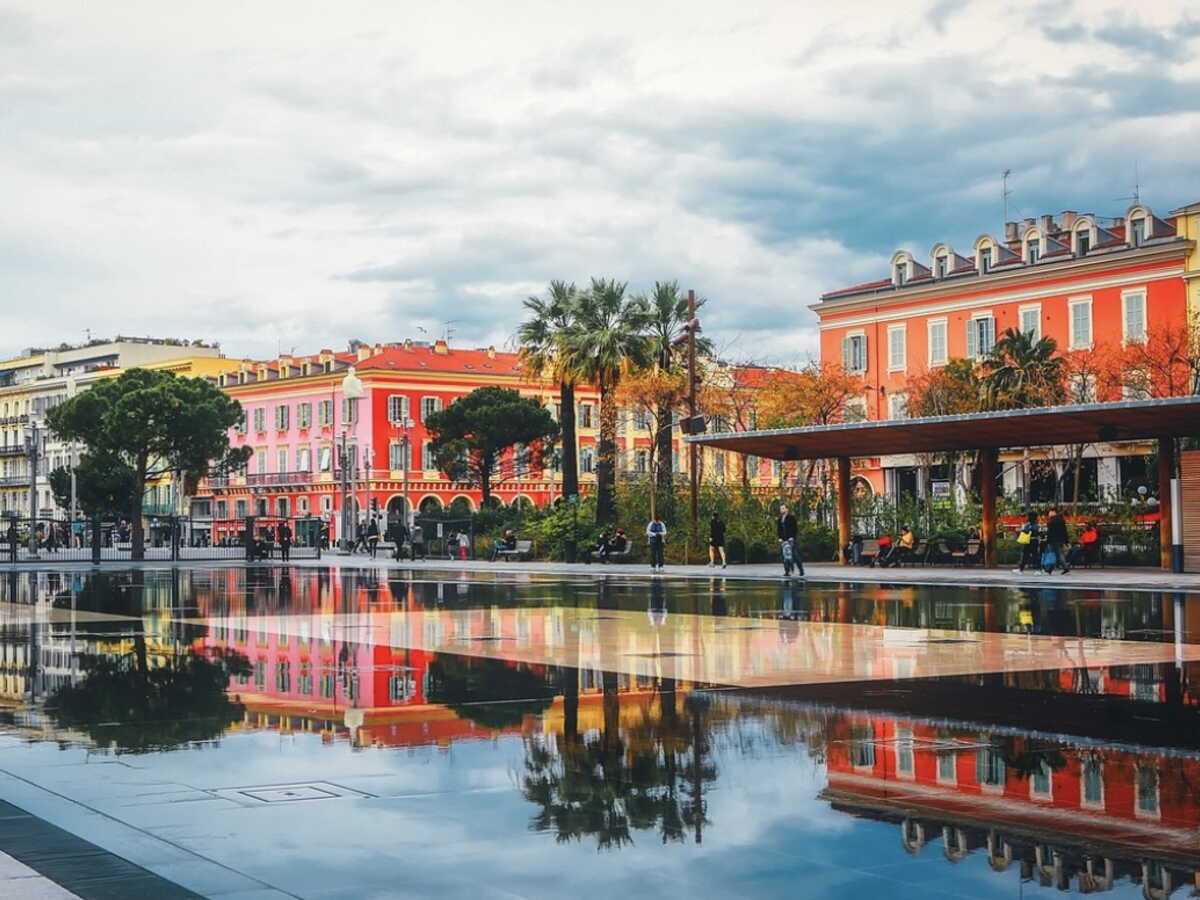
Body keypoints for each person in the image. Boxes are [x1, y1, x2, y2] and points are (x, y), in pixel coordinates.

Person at [776, 504, 803, 577]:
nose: (781, 510)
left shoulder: (791, 518)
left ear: (787, 509)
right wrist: (780, 538)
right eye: (781, 509)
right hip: (783, 540)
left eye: (783, 508)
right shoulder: (780, 519)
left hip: (791, 539)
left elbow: (795, 528)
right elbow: (779, 530)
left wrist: (792, 537)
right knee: (785, 556)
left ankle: (801, 570)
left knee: (795, 555)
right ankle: (787, 571)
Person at [1045, 507, 1070, 574]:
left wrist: (1048, 540)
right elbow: (1065, 531)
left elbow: (1050, 532)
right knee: (1056, 554)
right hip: (1061, 540)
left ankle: (1065, 567)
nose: (1049, 514)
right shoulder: (1061, 520)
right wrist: (1066, 540)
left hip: (1054, 540)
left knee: (1056, 554)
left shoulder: (1052, 521)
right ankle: (1050, 568)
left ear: (1054, 512)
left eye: (1050, 512)